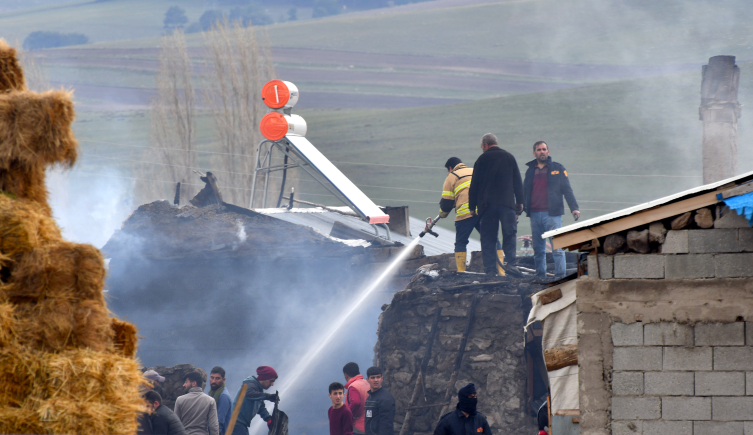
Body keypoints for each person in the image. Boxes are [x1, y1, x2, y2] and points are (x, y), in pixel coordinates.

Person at [468, 133, 524, 275]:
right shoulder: (509, 157)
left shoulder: (481, 160)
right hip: (507, 205)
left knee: (488, 239)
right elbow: (518, 181)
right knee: (509, 235)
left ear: (485, 145)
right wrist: (520, 202)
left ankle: (490, 272)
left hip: (487, 207)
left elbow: (474, 185)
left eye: (482, 146)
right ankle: (511, 265)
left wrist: (472, 207)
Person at [523, 141, 580, 279]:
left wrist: (574, 208)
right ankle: (540, 276)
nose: (542, 151)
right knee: (538, 249)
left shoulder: (558, 168)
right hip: (535, 214)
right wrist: (520, 210)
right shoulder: (530, 170)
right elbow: (524, 191)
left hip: (553, 215)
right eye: (539, 149)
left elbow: (567, 189)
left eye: (544, 149)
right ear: (534, 153)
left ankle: (560, 277)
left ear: (548, 151)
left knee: (557, 248)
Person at [439, 157, 504, 274]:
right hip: (484, 211)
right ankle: (501, 272)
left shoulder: (451, 176)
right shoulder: (475, 170)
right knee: (493, 239)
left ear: (450, 168)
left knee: (461, 242)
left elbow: (446, 203)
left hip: (465, 213)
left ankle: (461, 273)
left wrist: (442, 214)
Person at [231, 366, 279, 435]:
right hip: (235, 424)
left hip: (239, 424)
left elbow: (261, 407)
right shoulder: (250, 384)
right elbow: (249, 394)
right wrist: (268, 396)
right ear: (264, 378)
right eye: (271, 381)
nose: (272, 384)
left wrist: (268, 419)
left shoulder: (258, 389)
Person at [364, 367, 395, 435]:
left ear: (382, 379)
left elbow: (386, 425)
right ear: (367, 380)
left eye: (378, 377)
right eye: (372, 377)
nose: (376, 380)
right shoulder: (370, 397)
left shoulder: (385, 399)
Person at [343, 362, 370, 435]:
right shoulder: (366, 383)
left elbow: (356, 402)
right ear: (359, 372)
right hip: (369, 425)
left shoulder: (353, 387)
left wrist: (349, 415)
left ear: (346, 375)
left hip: (358, 428)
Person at [207, 366, 233, 435]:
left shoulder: (223, 396)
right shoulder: (212, 393)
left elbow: (219, 421)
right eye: (212, 377)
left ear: (223, 380)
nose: (214, 381)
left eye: (217, 378)